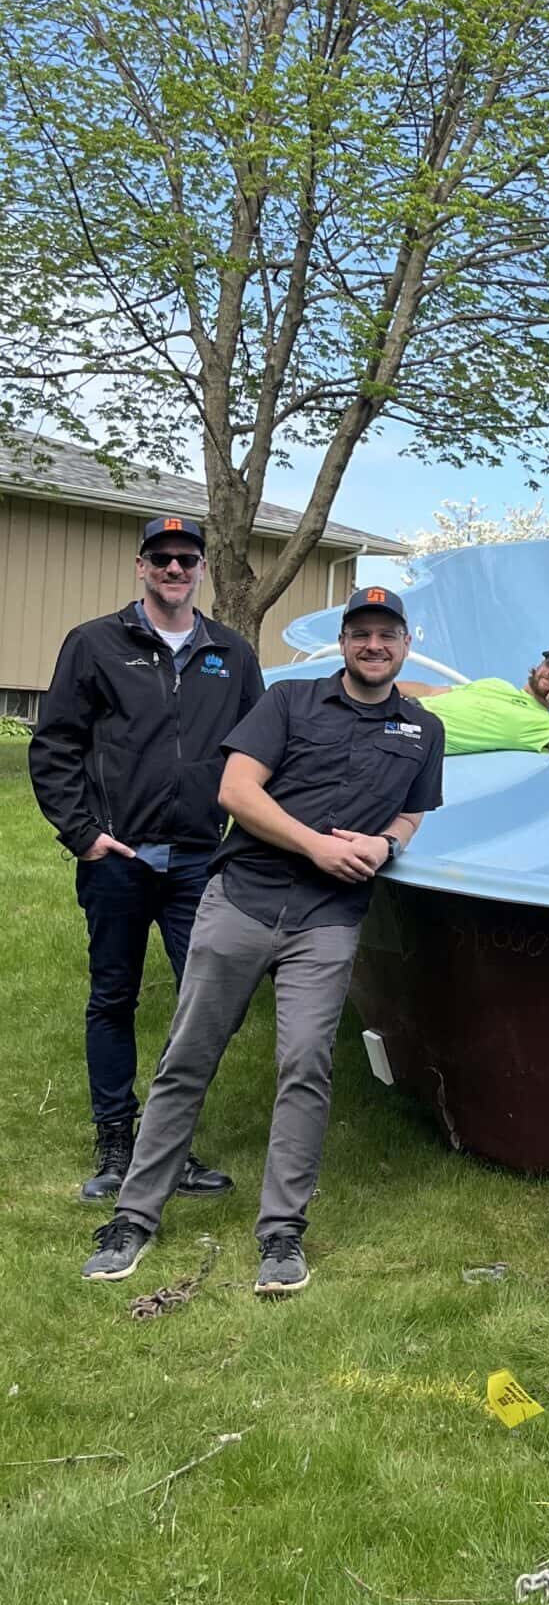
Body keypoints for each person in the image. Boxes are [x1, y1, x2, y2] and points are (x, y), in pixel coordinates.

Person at [80, 588, 446, 1298]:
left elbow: (412, 812)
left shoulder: (420, 729)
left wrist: (385, 842)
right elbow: (237, 790)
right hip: (242, 900)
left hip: (330, 919)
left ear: (405, 643)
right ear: (343, 643)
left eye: (387, 634)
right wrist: (316, 846)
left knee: (306, 1064)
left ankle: (281, 1233)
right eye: (361, 634)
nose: (374, 645)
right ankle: (134, 1218)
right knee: (188, 1057)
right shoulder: (289, 704)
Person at [28, 515, 262, 1202]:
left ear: (201, 569)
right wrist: (84, 834)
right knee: (113, 997)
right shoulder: (95, 643)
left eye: (186, 559)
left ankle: (169, 1144)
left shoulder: (231, 652)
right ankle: (115, 1144)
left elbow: (259, 752)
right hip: (118, 859)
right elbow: (56, 746)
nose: (174, 570)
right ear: (141, 566)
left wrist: (240, 840)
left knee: (206, 1004)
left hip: (198, 861)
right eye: (161, 558)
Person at [400, 644, 549, 764]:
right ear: (540, 665)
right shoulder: (496, 684)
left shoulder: (548, 726)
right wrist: (376, 689)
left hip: (413, 733)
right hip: (399, 707)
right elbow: (430, 692)